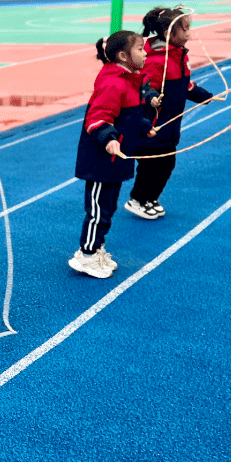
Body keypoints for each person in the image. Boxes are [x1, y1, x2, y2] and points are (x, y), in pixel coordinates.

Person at [70, 31, 155, 279]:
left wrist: (144, 127)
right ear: (123, 55)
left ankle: (96, 248)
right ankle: (86, 255)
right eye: (140, 49)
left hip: (117, 160)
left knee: (108, 208)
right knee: (98, 211)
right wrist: (108, 139)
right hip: (101, 162)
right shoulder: (113, 82)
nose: (145, 53)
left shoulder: (130, 81)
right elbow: (97, 118)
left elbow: (128, 116)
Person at [125, 7, 213, 220]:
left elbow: (185, 85)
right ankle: (137, 199)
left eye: (189, 28)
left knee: (166, 164)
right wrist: (151, 97)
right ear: (168, 34)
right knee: (150, 166)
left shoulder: (179, 56)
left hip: (170, 125)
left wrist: (202, 95)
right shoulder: (156, 60)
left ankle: (151, 197)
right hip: (152, 126)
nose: (189, 33)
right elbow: (142, 84)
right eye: (185, 29)